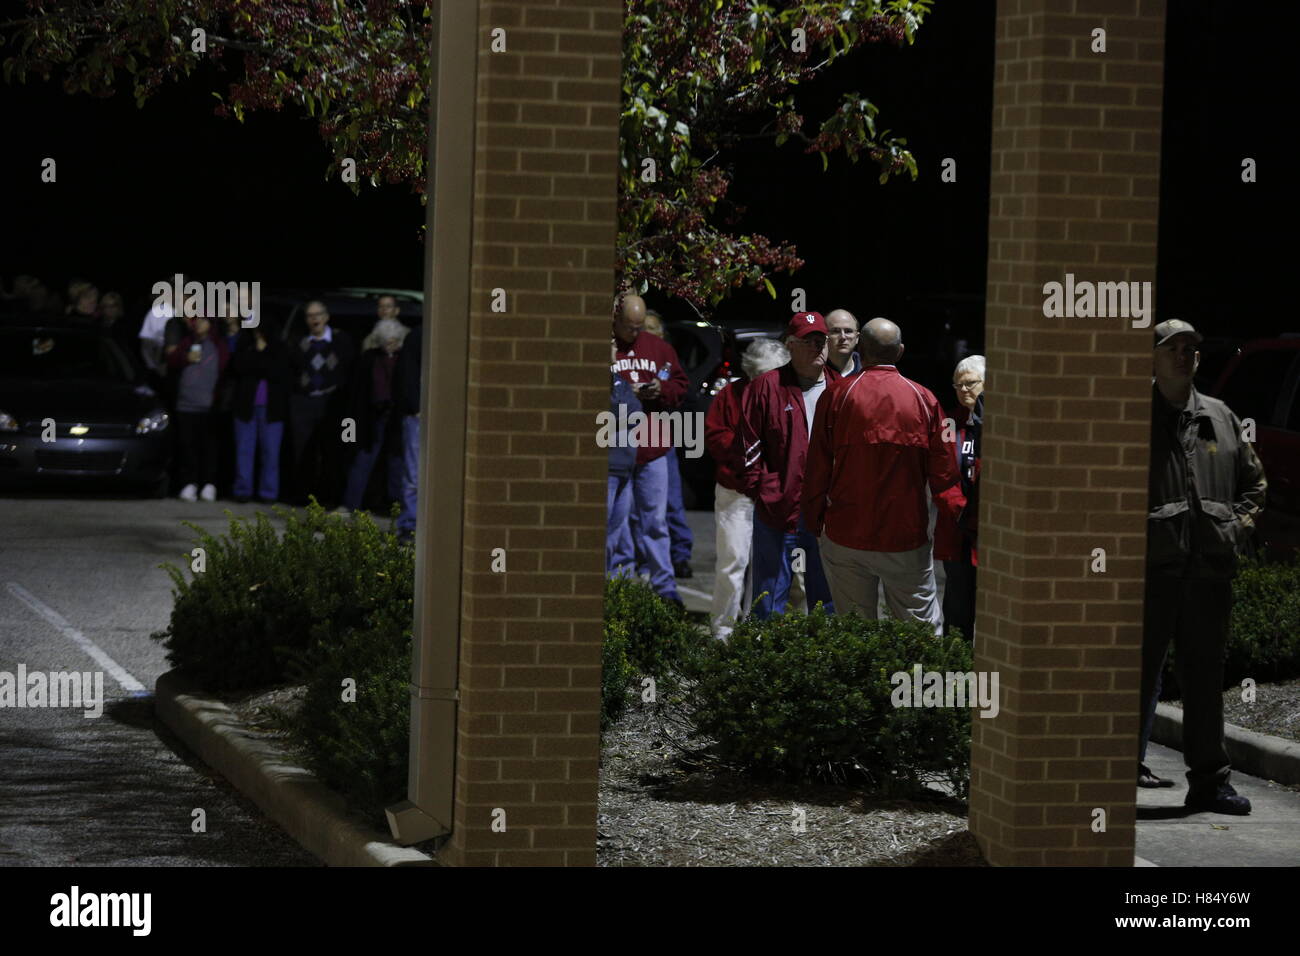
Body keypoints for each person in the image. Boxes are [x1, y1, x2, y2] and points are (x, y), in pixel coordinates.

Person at [1137, 319, 1266, 814]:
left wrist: (1234, 528)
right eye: (1173, 348)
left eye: (1192, 348)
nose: (1185, 355)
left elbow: (1254, 486)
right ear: (1152, 356)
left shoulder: (1220, 416)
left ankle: (1211, 784)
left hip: (1209, 575)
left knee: (1206, 684)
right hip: (1149, 575)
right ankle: (1111, 780)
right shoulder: (1132, 417)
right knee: (1134, 681)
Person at [803, 318, 962, 627]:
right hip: (904, 534)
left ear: (862, 349)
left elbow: (817, 466)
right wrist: (959, 520)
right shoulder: (924, 399)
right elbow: (945, 474)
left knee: (854, 629)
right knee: (920, 629)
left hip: (845, 531)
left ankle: (861, 678)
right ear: (900, 352)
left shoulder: (837, 395)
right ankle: (919, 677)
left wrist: (814, 519)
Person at [736, 311, 849, 620]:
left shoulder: (841, 388)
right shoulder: (765, 386)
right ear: (790, 345)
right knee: (769, 595)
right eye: (808, 341)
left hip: (826, 512)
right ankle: (764, 658)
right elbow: (748, 443)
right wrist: (763, 488)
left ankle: (822, 662)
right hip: (778, 508)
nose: (817, 347)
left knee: (826, 596)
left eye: (821, 341)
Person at [611, 292, 691, 607]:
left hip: (652, 447)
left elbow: (682, 386)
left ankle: (664, 586)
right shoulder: (609, 349)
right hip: (615, 448)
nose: (635, 333)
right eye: (629, 327)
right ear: (615, 320)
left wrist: (662, 389)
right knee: (615, 524)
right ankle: (616, 586)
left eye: (639, 326)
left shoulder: (658, 348)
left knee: (655, 521)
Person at [705, 337, 789, 638]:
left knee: (770, 567)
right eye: (762, 375)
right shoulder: (731, 394)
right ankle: (723, 630)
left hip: (773, 492)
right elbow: (715, 438)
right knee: (732, 561)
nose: (768, 381)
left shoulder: (787, 395)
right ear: (751, 372)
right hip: (736, 491)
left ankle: (762, 630)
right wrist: (750, 446)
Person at [632, 308, 694, 578]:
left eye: (654, 328)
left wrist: (661, 389)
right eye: (644, 328)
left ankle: (679, 556)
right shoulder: (632, 354)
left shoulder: (664, 356)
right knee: (636, 508)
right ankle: (641, 559)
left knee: (669, 502)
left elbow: (679, 387)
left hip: (660, 436)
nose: (650, 333)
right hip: (630, 438)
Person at [933, 355, 984, 640]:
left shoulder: (1003, 424)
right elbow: (940, 475)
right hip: (957, 530)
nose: (964, 390)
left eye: (971, 383)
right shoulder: (948, 424)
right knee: (957, 609)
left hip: (990, 533)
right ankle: (955, 673)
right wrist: (961, 510)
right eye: (958, 385)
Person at [287, 300, 355, 507]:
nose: (315, 319)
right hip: (304, 402)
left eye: (318, 314)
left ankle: (331, 498)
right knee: (303, 452)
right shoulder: (298, 342)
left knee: (333, 452)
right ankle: (304, 497)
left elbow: (351, 371)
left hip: (333, 403)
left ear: (326, 317)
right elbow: (290, 374)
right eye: (310, 315)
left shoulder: (341, 340)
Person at [339, 316, 409, 515]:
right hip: (371, 416)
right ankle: (351, 503)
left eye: (394, 341)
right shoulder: (369, 358)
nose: (390, 345)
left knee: (397, 462)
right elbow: (358, 391)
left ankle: (396, 506)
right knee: (363, 459)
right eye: (387, 341)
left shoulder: (403, 358)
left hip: (396, 416)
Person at [166, 313, 230, 501]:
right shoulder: (187, 342)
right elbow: (172, 360)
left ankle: (209, 484)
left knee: (209, 447)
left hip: (209, 406)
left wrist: (219, 399)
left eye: (202, 320)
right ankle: (189, 483)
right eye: (196, 320)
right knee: (188, 446)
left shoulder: (218, 345)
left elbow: (224, 370)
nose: (198, 324)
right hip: (186, 404)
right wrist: (185, 357)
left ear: (211, 324)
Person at [228, 318, 291, 504]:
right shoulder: (245, 345)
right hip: (245, 406)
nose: (257, 333)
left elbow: (276, 371)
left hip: (272, 409)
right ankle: (242, 490)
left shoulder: (279, 348)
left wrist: (259, 358)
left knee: (270, 452)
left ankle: (268, 492)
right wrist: (258, 356)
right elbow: (239, 367)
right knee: (243, 450)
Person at [607, 336, 643, 576]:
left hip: (625, 471)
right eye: (610, 342)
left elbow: (636, 411)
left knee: (613, 539)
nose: (615, 347)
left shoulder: (618, 380)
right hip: (606, 471)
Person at [393, 322, 422, 544]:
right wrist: (415, 407)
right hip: (418, 415)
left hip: (439, 414)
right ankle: (409, 525)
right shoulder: (418, 336)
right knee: (413, 475)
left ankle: (417, 524)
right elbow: (407, 373)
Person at [824, 309, 864, 377]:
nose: (843, 337)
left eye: (848, 331)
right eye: (836, 331)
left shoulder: (868, 370)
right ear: (825, 336)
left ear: (857, 338)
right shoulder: (814, 371)